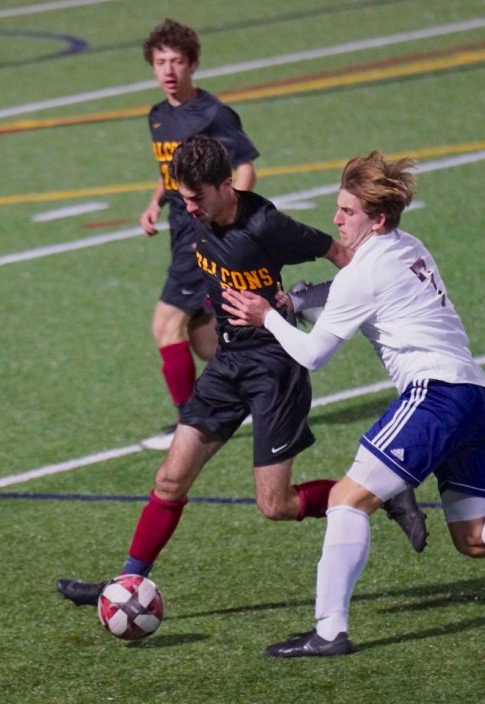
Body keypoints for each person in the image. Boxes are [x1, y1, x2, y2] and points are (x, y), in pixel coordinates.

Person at [222, 151, 485, 657]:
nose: (335, 219)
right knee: (476, 540)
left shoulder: (365, 270)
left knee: (345, 501)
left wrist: (267, 315)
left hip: (434, 397)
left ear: (375, 218)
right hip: (477, 401)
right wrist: (301, 301)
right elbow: (354, 291)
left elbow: (313, 355)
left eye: (347, 211)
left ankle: (329, 630)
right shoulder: (407, 245)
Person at [56, 138, 428, 608]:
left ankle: (382, 493)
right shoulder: (197, 216)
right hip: (227, 363)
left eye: (196, 198)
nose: (187, 208)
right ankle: (126, 583)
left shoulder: (268, 225)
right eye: (182, 197)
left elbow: (342, 255)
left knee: (276, 506)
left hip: (275, 368)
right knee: (170, 479)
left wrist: (371, 305)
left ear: (226, 185)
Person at [139, 18, 260, 450]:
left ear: (192, 64)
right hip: (177, 234)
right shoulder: (157, 117)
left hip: (201, 235)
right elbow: (170, 171)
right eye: (160, 62)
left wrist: (231, 216)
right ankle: (269, 374)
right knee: (208, 341)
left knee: (165, 324)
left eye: (176, 61)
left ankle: (191, 423)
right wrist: (155, 201)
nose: (168, 69)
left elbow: (244, 165)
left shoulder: (212, 113)